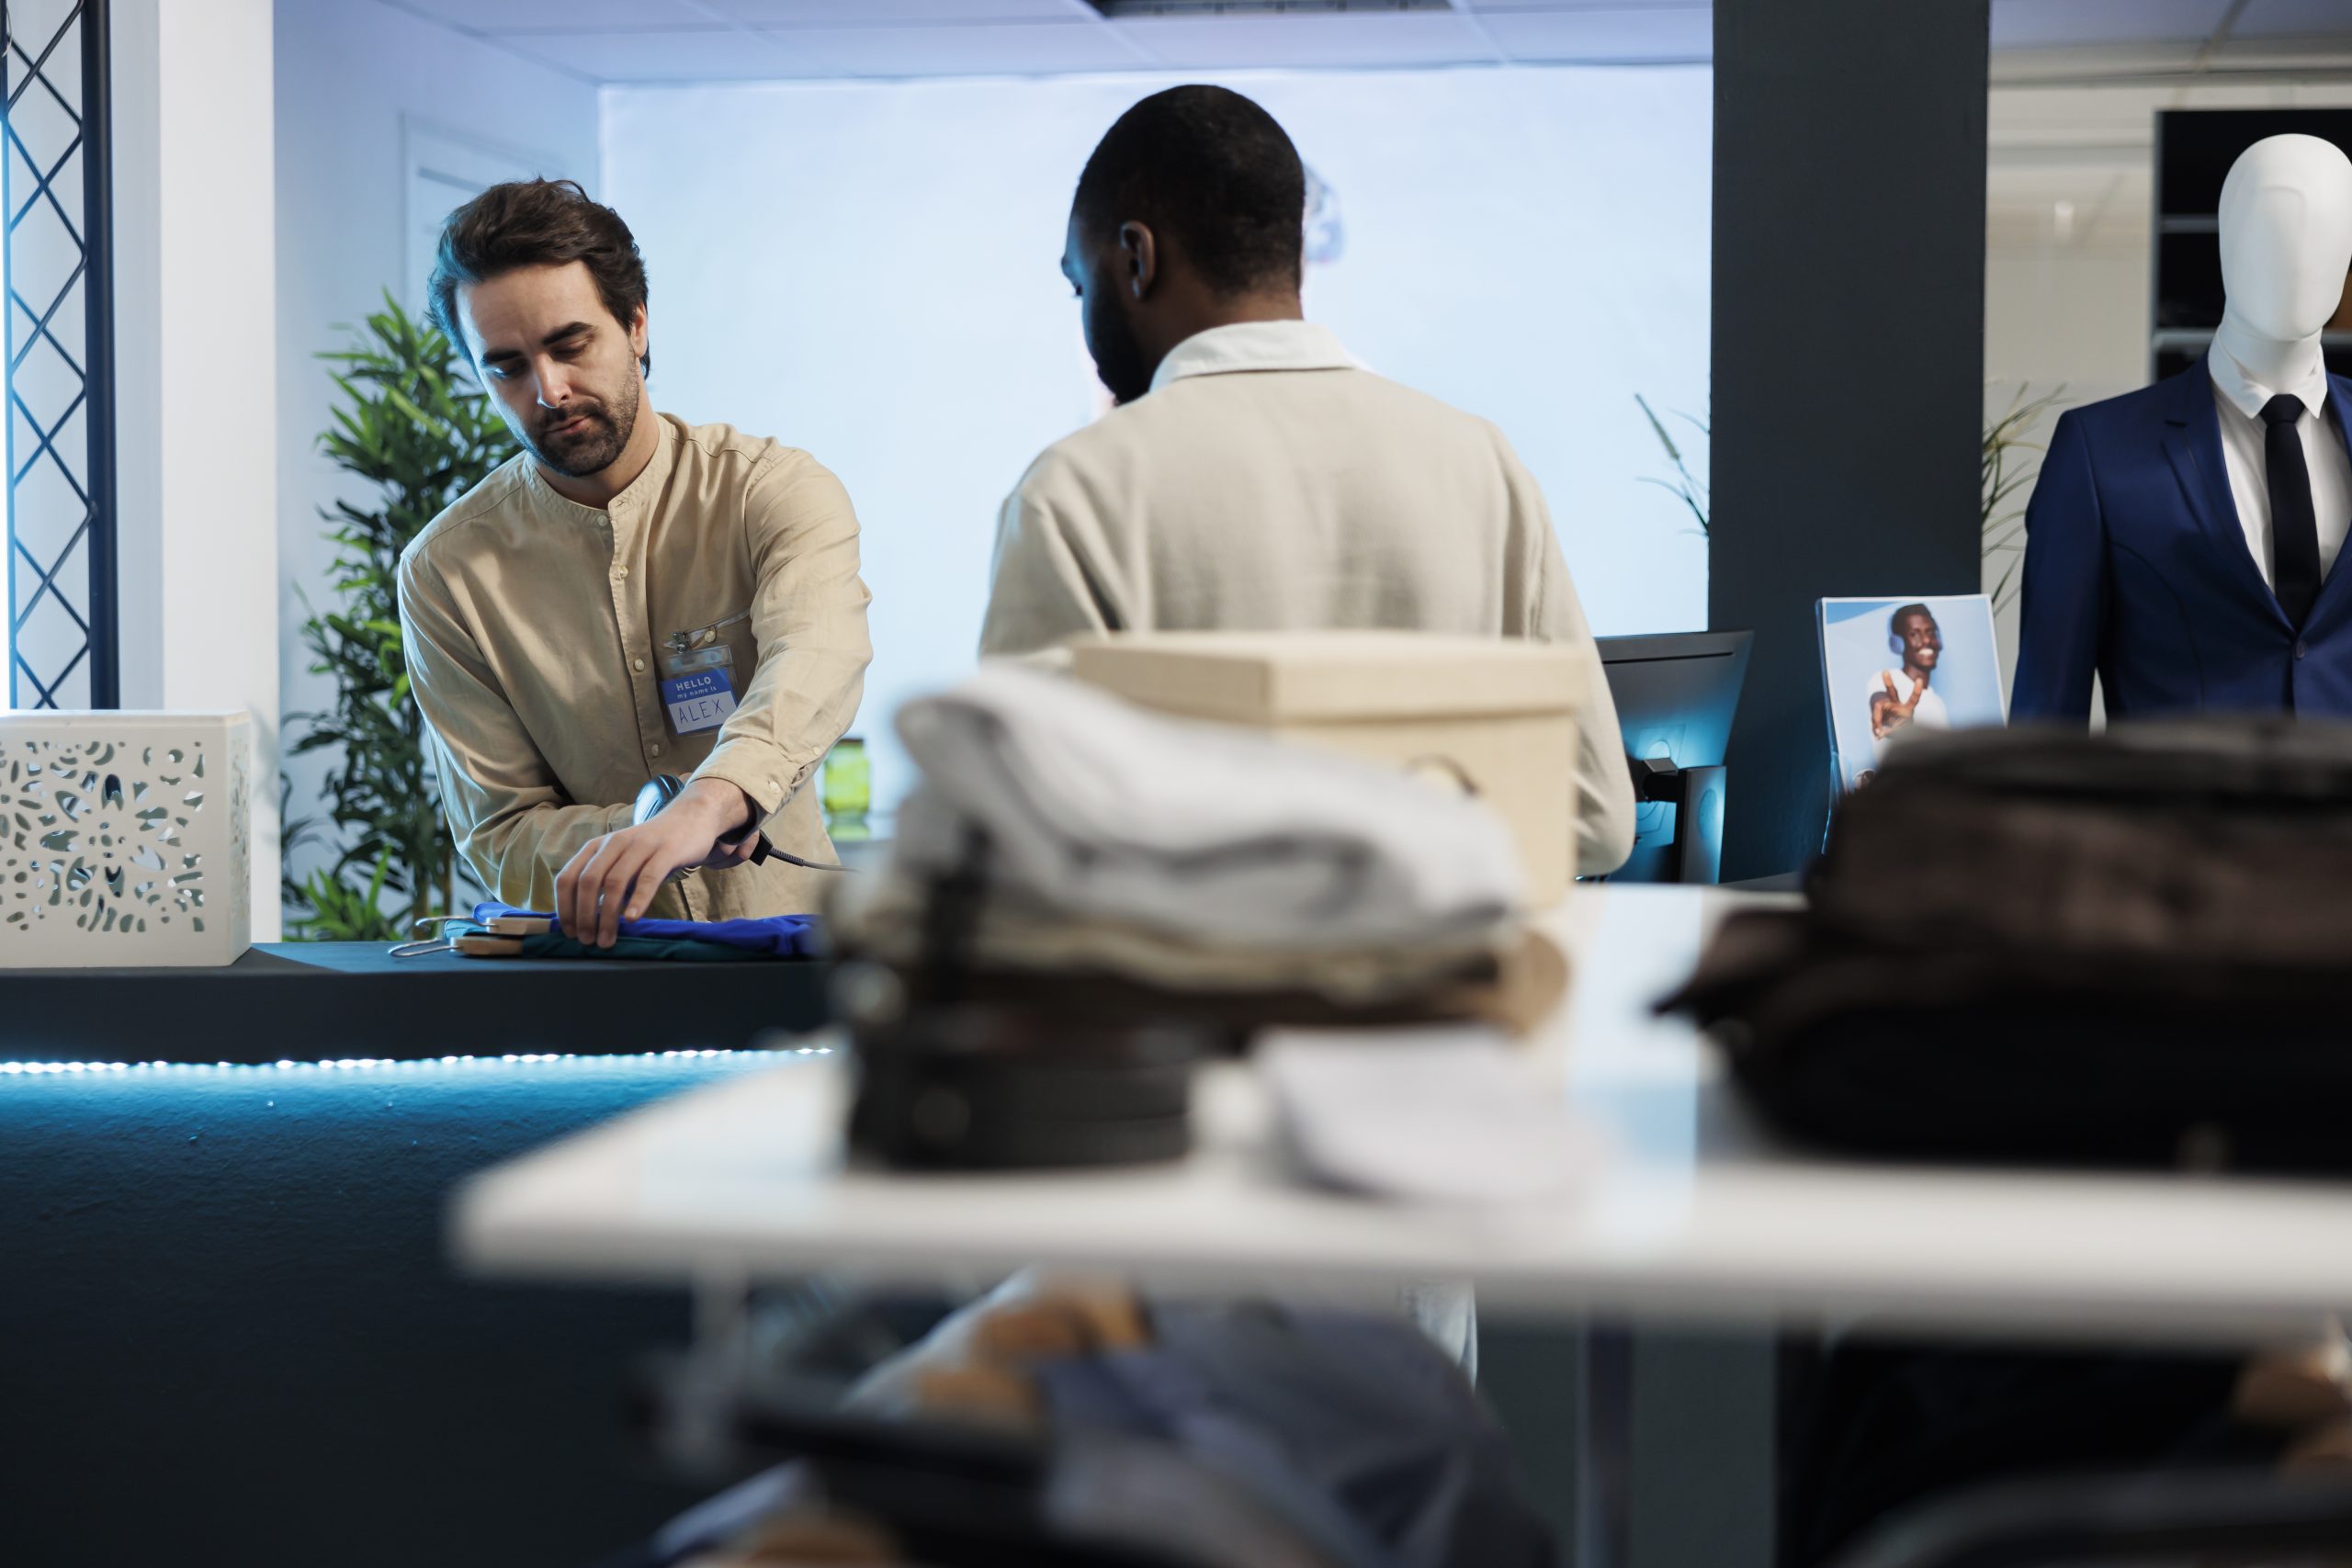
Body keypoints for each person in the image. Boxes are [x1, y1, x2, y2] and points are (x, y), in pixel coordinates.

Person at [978, 85, 1636, 879]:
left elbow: (1021, 840)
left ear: (1137, 258)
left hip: (1205, 993)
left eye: (1083, 284)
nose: (1086, 321)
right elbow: (1597, 819)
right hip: (1443, 991)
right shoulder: (1481, 462)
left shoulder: (1075, 491)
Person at [396, 180, 871, 945]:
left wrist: (716, 801)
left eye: (570, 344)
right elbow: (500, 833)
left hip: (791, 962)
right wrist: (657, 822)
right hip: (595, 987)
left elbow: (818, 658)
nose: (548, 390)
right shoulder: (445, 573)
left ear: (637, 324)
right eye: (507, 367)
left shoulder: (773, 491)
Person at [1868, 604, 1949, 744]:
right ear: (1897, 644)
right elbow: (1881, 701)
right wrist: (1892, 717)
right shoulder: (1885, 679)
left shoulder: (1938, 703)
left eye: (1930, 632)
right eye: (1914, 634)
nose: (1926, 640)